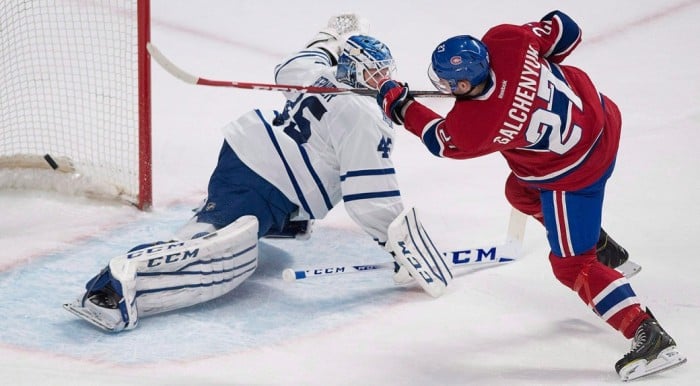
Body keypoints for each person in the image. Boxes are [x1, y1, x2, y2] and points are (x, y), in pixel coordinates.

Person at [375, 10, 686, 381]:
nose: (443, 86)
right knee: (519, 190)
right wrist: (533, 68)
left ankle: (648, 334)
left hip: (576, 174)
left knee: (572, 264)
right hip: (603, 118)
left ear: (462, 85)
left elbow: (438, 138)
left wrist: (399, 105)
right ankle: (598, 243)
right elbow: (567, 30)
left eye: (448, 83)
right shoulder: (508, 40)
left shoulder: (474, 127)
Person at [64, 14, 406, 332]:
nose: (382, 80)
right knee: (217, 251)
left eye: (383, 72)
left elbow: (292, 64)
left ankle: (285, 219)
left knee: (236, 223)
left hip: (246, 155)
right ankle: (112, 286)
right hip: (267, 182)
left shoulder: (317, 75)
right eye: (374, 73)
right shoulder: (367, 120)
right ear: (353, 71)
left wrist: (331, 38)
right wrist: (403, 250)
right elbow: (370, 197)